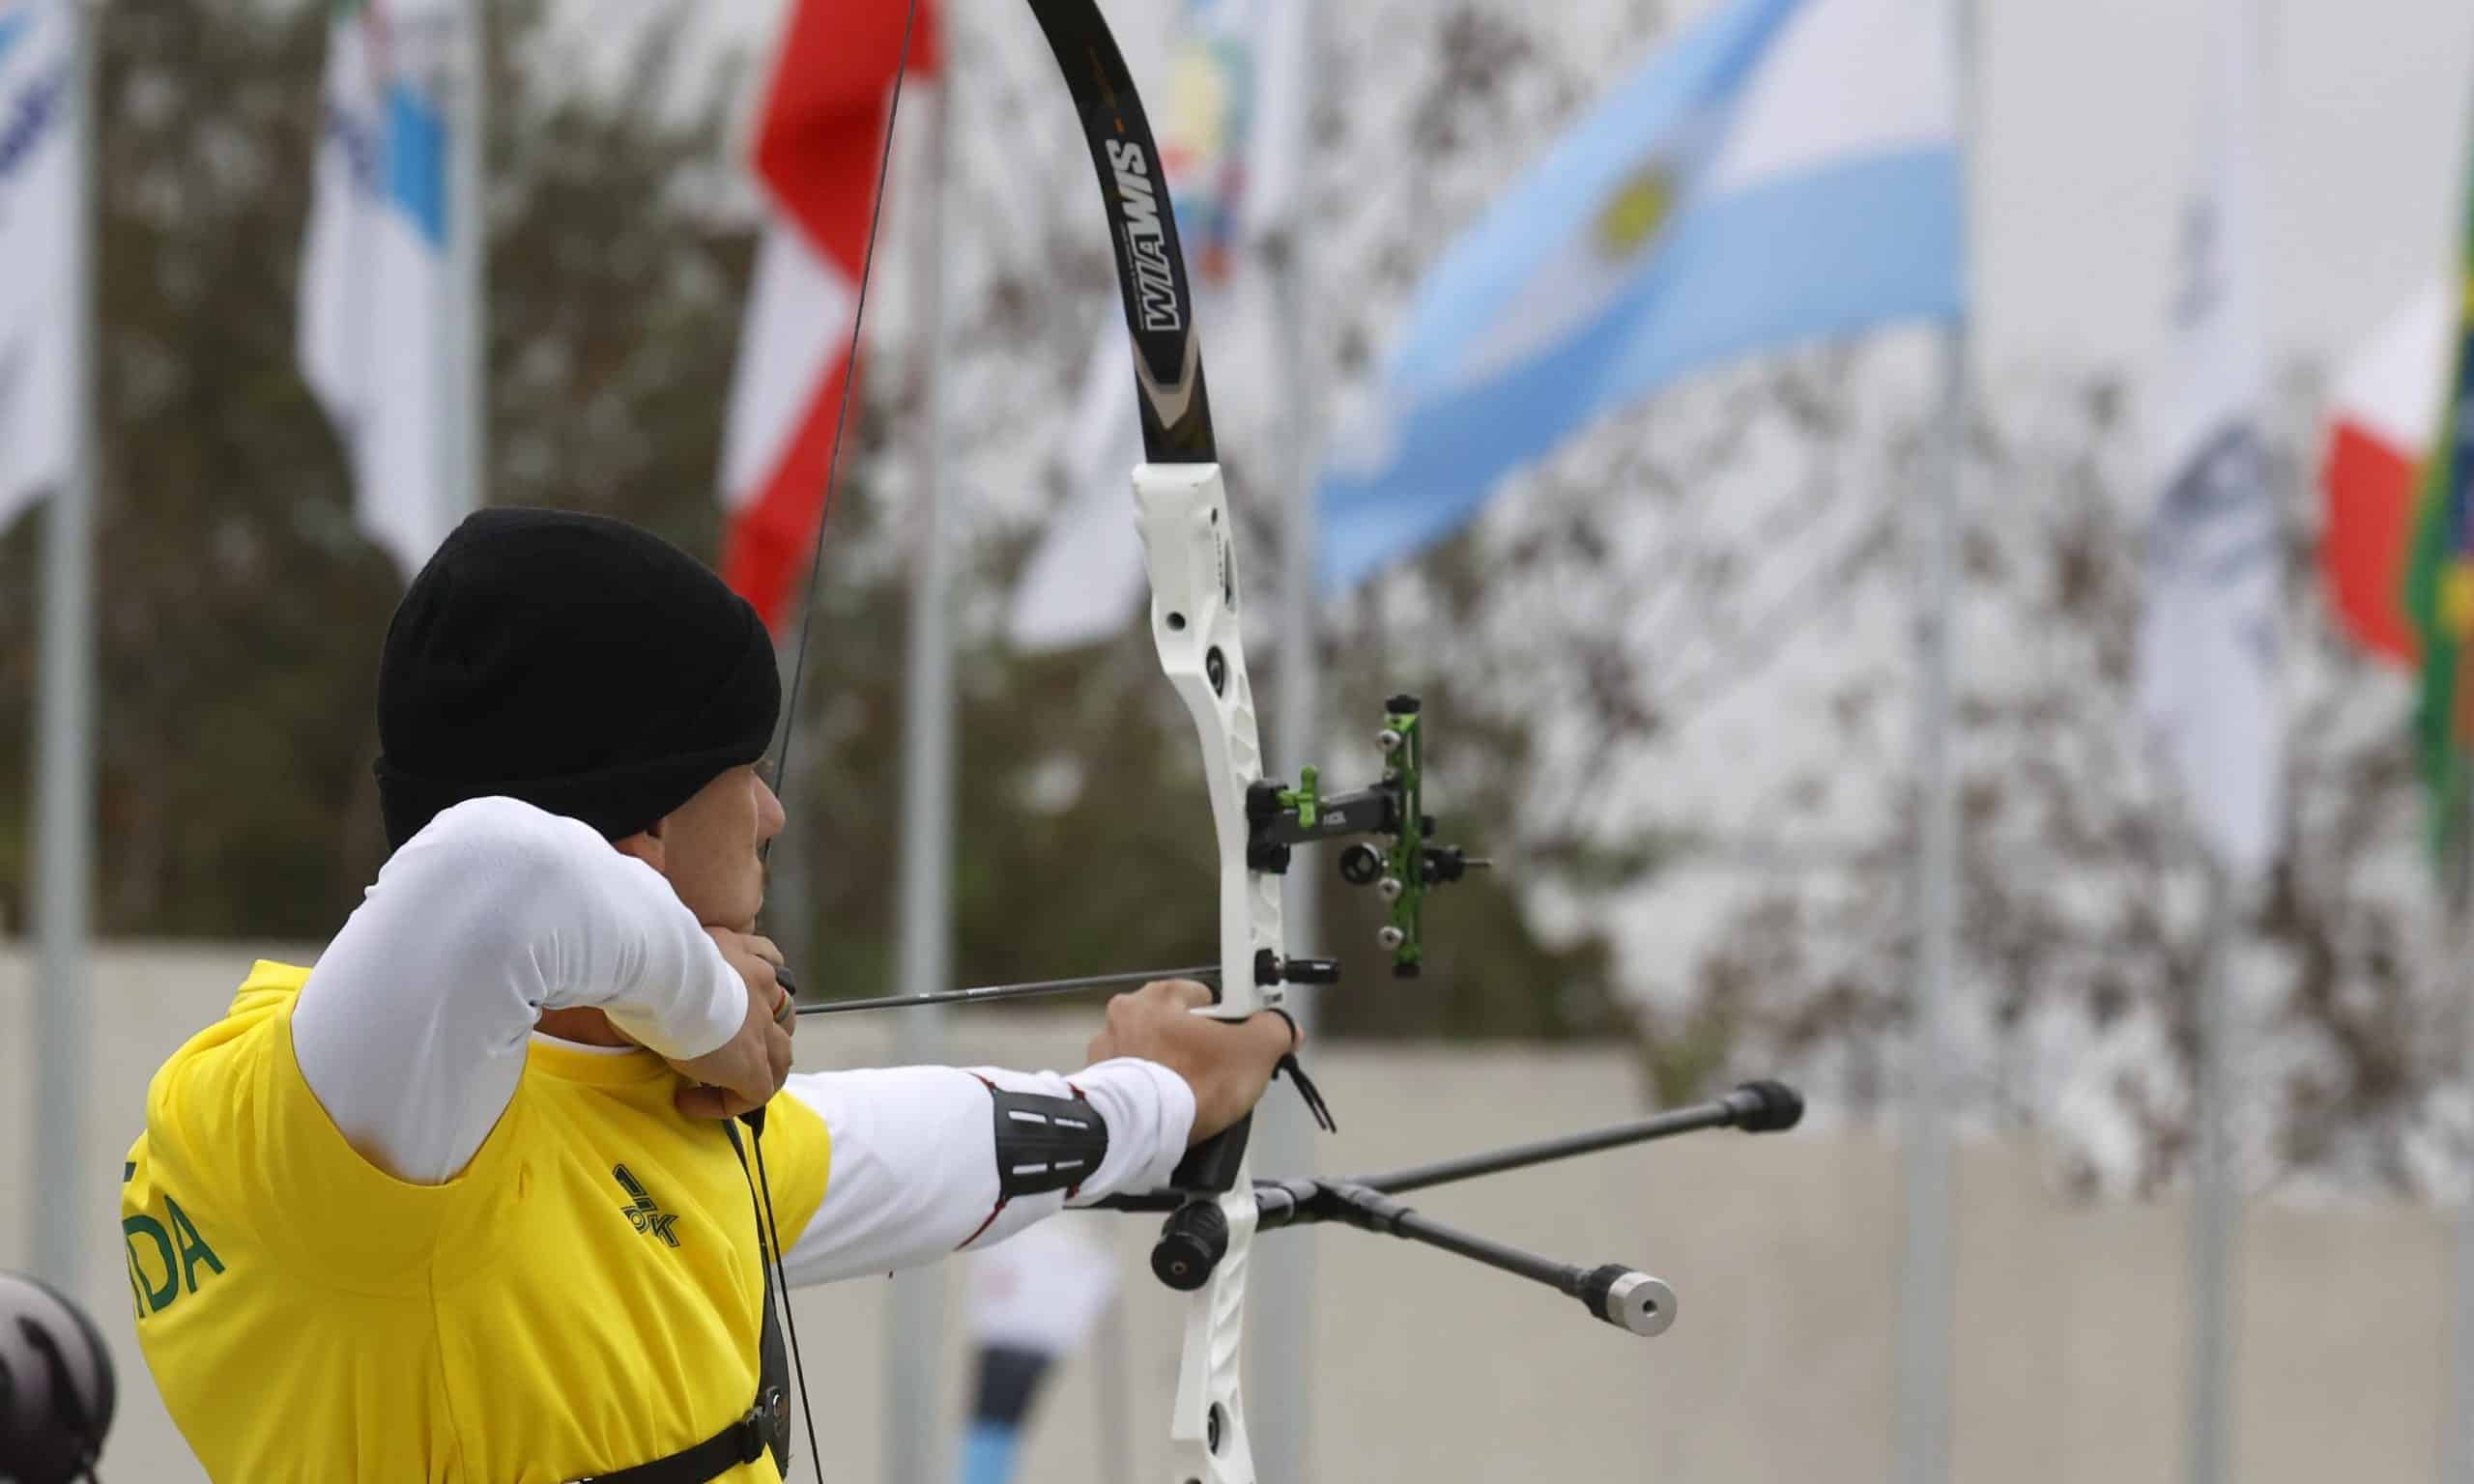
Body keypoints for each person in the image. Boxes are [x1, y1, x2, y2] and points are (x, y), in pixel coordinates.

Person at [118, 508, 1300, 1483]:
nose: (772, 815)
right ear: (643, 825)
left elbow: (906, 1150)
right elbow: (495, 879)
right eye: (745, 772)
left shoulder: (632, 1109)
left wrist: (1153, 1096)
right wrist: (711, 1008)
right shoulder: (300, 1126)